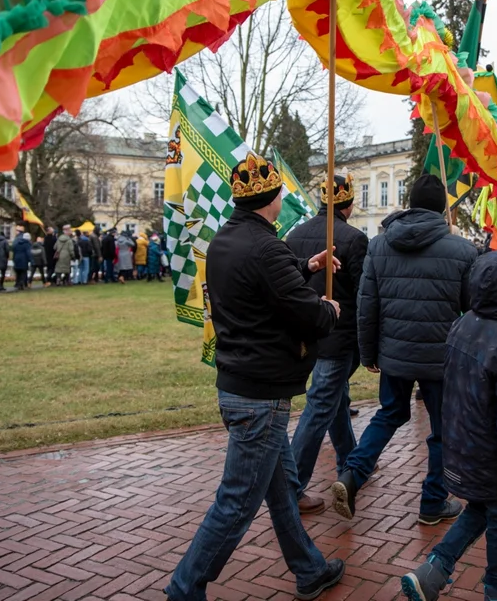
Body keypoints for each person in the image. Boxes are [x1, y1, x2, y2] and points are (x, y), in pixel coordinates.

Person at [165, 152, 345, 601]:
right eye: (281, 194)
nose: (283, 200)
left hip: (240, 384)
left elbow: (262, 287)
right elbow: (305, 313)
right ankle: (184, 589)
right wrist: (328, 309)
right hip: (260, 396)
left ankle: (310, 569)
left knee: (281, 489)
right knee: (236, 503)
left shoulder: (226, 239)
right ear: (273, 199)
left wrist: (306, 267)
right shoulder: (266, 246)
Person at [330, 174, 477, 525]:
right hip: (441, 358)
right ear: (443, 207)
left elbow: (368, 305)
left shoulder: (380, 244)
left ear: (409, 203)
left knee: (389, 414)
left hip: (395, 354)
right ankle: (433, 501)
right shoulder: (462, 251)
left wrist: (368, 354)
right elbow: (471, 307)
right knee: (443, 429)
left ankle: (352, 474)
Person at [401, 248, 497, 601]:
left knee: (482, 509)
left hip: (461, 444)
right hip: (491, 453)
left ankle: (434, 570)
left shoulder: (462, 324)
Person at [286, 174, 369, 514]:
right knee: (321, 404)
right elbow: (365, 294)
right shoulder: (354, 238)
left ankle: (351, 465)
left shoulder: (295, 235)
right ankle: (290, 486)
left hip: (307, 333)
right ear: (348, 204)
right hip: (336, 336)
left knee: (336, 399)